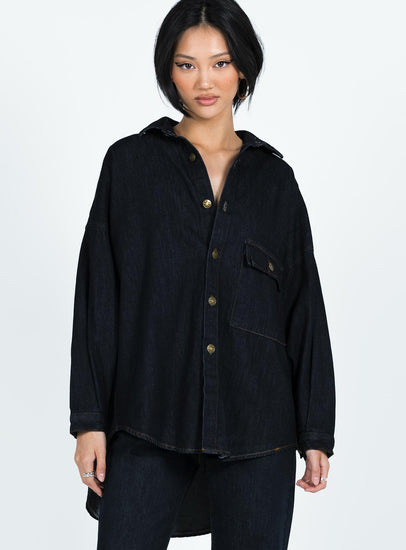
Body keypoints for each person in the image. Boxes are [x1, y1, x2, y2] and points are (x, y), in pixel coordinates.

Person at [69, 0, 336, 548]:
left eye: (220, 63)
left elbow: (304, 310)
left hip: (258, 426)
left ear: (243, 68)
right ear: (169, 71)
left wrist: (316, 431)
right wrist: (89, 420)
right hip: (148, 414)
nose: (205, 82)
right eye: (186, 64)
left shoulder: (276, 183)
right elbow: (98, 296)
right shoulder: (130, 165)